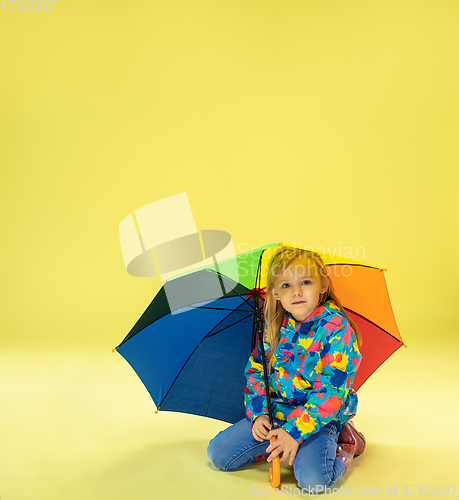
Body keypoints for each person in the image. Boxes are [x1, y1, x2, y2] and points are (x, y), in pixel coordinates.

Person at [207, 246, 366, 493]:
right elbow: (256, 372)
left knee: (313, 481)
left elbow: (331, 394)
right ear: (275, 294)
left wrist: (293, 433)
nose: (297, 292)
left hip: (318, 418)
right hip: (276, 413)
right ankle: (277, 447)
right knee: (218, 454)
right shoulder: (274, 327)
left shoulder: (337, 330)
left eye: (305, 282)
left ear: (323, 285)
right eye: (286, 286)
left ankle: (345, 444)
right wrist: (259, 413)